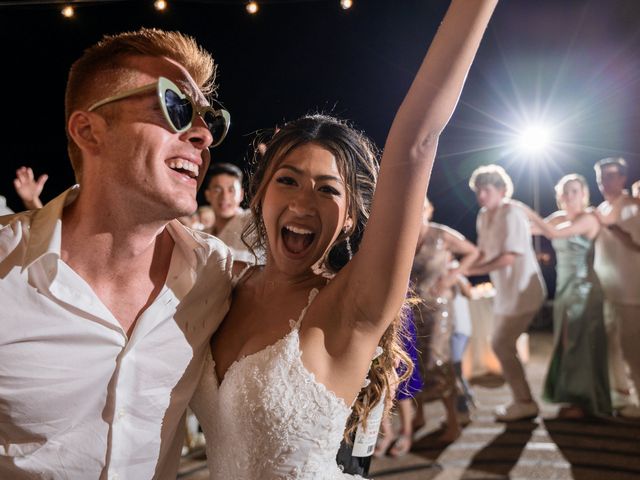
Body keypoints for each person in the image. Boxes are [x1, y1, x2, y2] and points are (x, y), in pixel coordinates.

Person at [190, 3, 498, 477]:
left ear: (352, 217)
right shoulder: (221, 285)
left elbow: (417, 138)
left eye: (328, 189)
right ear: (259, 195)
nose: (304, 202)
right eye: (287, 180)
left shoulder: (354, 305)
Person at [0, 28, 233, 479]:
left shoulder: (213, 272)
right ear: (89, 130)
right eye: (176, 105)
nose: (203, 134)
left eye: (209, 117)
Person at [521, 174, 611, 418]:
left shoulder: (589, 218)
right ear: (560, 196)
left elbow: (552, 233)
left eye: (574, 191)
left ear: (584, 193)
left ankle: (583, 401)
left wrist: (527, 211)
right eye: (565, 191)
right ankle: (570, 397)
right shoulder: (559, 217)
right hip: (563, 288)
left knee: (578, 343)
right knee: (565, 341)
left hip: (583, 289)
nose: (570, 196)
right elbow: (529, 230)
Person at [467, 164, 546, 422]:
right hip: (506, 294)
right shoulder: (483, 215)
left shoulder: (511, 213)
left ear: (501, 189)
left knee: (501, 343)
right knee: (501, 344)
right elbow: (482, 252)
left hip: (524, 291)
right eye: (478, 191)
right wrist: (459, 268)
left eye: (486, 190)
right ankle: (523, 400)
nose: (481, 196)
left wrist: (469, 272)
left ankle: (525, 402)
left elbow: (508, 258)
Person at [410, 198, 479, 444]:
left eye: (420, 209)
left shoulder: (441, 235)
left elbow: (473, 251)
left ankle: (453, 421)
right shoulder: (405, 237)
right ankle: (419, 416)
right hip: (412, 311)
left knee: (437, 362)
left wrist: (453, 277)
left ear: (428, 210)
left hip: (439, 310)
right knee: (414, 363)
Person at [593, 157, 640, 416]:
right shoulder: (600, 208)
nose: (604, 183)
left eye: (610, 176)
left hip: (632, 290)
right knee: (610, 343)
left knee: (633, 347)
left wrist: (613, 228)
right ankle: (621, 395)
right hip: (606, 290)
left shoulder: (633, 206)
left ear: (622, 178)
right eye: (601, 178)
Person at [204, 162, 261, 267]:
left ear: (241, 195)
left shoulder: (251, 222)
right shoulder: (203, 234)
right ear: (208, 195)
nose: (224, 197)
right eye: (217, 190)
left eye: (231, 190)